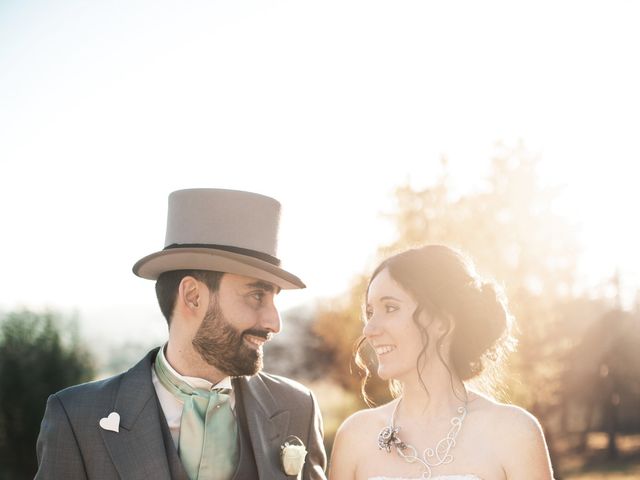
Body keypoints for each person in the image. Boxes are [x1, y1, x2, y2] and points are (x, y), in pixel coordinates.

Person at [36, 188, 327, 480]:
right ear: (192, 296)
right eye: (256, 296)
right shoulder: (77, 418)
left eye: (274, 300)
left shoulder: (298, 408)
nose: (274, 322)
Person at [329, 245, 553, 480]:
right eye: (370, 312)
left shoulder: (514, 433)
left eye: (390, 308)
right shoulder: (355, 437)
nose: (370, 329)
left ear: (442, 322)